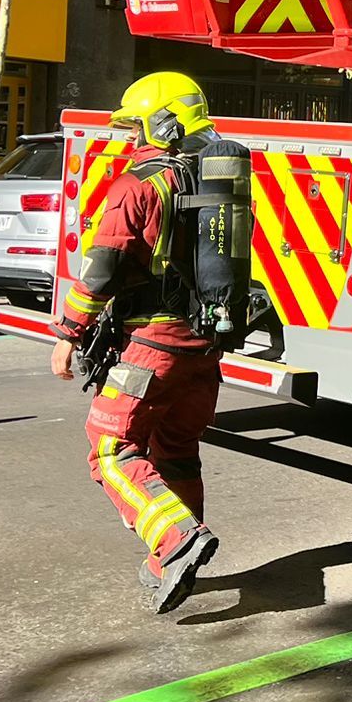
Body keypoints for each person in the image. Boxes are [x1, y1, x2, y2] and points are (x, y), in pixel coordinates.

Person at [50, 71, 224, 613]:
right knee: (176, 452)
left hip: (152, 345)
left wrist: (68, 336)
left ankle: (174, 541)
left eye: (136, 126)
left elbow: (101, 272)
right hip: (202, 350)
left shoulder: (137, 185)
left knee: (110, 451)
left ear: (162, 121)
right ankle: (166, 564)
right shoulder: (216, 183)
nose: (130, 138)